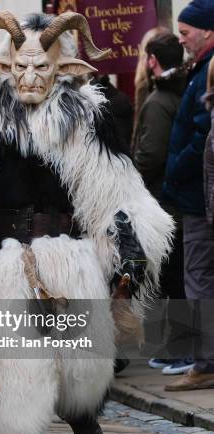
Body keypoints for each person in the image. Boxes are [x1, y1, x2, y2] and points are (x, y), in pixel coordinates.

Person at [0, 11, 173, 434]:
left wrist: (129, 242)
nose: (30, 76)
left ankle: (79, 409)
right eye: (21, 67)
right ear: (6, 67)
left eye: (42, 67)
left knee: (79, 352)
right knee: (14, 352)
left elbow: (116, 185)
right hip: (4, 256)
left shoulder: (85, 116)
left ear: (64, 70)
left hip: (68, 250)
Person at [162, 0, 214, 391]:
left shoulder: (208, 71)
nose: (181, 40)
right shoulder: (200, 69)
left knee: (197, 278)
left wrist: (175, 167)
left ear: (207, 32)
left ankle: (206, 363)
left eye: (185, 33)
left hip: (198, 197)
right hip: (197, 195)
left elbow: (202, 136)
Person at [131, 33, 190, 374]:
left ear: (153, 60)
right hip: (174, 202)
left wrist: (128, 175)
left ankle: (184, 350)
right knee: (177, 279)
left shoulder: (158, 101)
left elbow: (149, 155)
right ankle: (177, 348)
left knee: (175, 281)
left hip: (165, 204)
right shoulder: (178, 92)